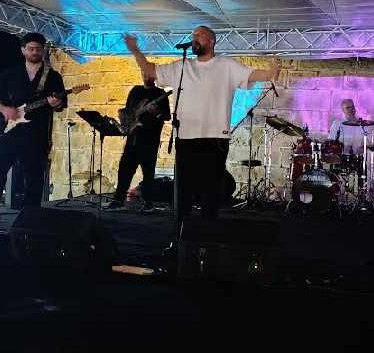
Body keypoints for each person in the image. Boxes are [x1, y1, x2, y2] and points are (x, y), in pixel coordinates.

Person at [123, 26, 279, 226]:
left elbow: (252, 75)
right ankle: (182, 233)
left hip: (215, 138)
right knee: (183, 192)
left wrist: (271, 72)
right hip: (185, 138)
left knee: (210, 191)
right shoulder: (182, 67)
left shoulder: (226, 65)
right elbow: (150, 70)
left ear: (212, 40)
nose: (194, 37)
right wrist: (135, 50)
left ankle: (207, 233)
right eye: (193, 35)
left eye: (200, 35)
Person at [0, 32, 67, 226]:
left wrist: (56, 103)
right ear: (23, 50)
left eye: (38, 49)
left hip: (37, 135)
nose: (35, 52)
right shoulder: (10, 74)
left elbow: (61, 105)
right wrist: (4, 109)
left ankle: (29, 223)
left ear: (43, 51)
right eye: (31, 49)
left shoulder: (53, 77)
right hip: (9, 132)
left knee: (34, 180)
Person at [108, 76, 171, 211]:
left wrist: (157, 112)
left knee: (148, 173)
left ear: (154, 76)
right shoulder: (135, 91)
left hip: (150, 140)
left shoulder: (160, 93)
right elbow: (127, 112)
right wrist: (125, 120)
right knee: (124, 170)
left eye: (148, 74)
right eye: (143, 73)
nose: (145, 76)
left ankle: (148, 202)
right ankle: (118, 200)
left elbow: (167, 116)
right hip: (133, 138)